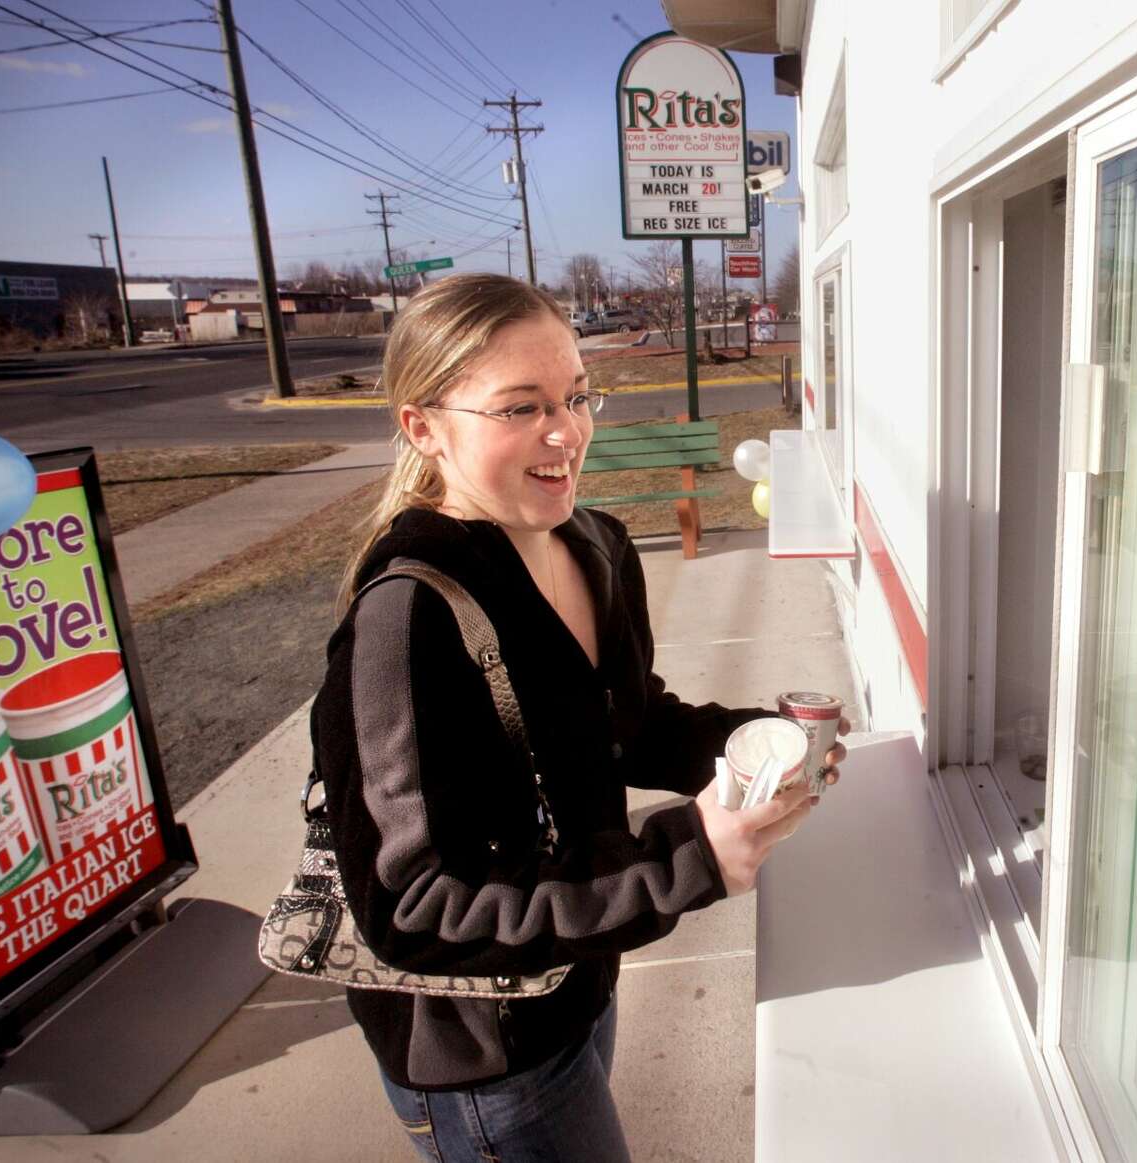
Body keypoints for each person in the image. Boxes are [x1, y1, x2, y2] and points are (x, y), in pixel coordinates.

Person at [311, 273, 844, 1162]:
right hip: (488, 1055)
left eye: (574, 396)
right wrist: (690, 857)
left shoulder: (594, 544)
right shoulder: (405, 618)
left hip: (585, 968)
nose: (566, 433)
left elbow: (629, 724)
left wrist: (771, 739)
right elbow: (411, 907)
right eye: (519, 408)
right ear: (423, 426)